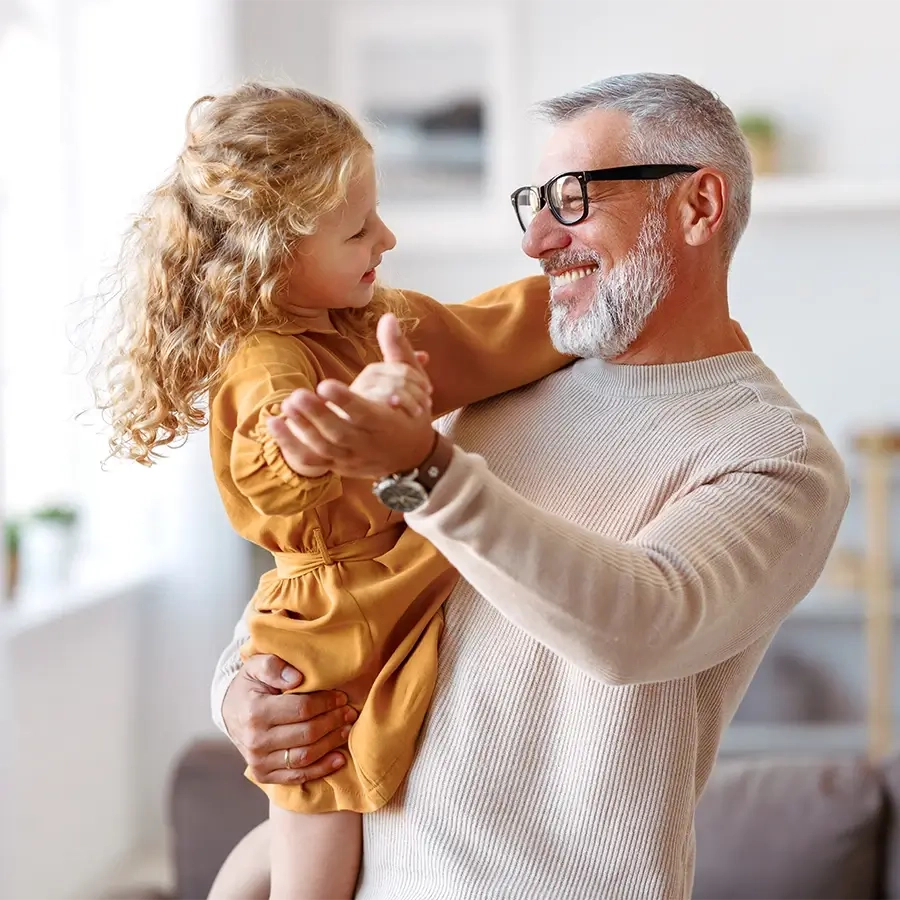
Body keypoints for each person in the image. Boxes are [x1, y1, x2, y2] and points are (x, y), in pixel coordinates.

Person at [210, 73, 849, 899]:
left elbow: (639, 625)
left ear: (698, 207)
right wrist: (241, 693)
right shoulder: (496, 388)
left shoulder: (775, 455)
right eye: (534, 202)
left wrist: (422, 468)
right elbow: (340, 570)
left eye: (575, 199)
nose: (538, 240)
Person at [90, 83, 578, 900]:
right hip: (328, 624)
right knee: (316, 834)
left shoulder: (370, 321)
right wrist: (359, 420)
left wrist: (583, 303)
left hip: (392, 577)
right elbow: (280, 470)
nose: (386, 237)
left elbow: (485, 333)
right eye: (359, 229)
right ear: (271, 253)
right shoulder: (268, 362)